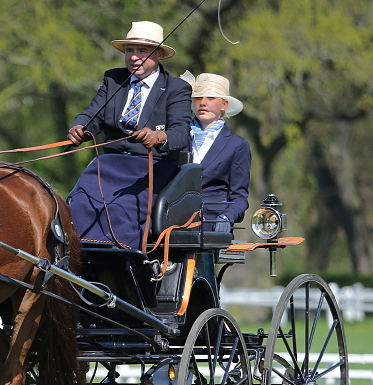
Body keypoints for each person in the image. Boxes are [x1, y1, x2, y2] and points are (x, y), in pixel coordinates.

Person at [66, 21, 192, 249]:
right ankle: (76, 262)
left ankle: (125, 269)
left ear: (159, 54)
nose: (134, 57)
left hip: (150, 167)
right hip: (108, 164)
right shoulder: (113, 79)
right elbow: (92, 115)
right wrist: (79, 128)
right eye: (129, 51)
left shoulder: (176, 88)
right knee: (79, 204)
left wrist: (158, 137)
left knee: (118, 208)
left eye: (142, 51)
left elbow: (182, 133)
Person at [181, 72, 251, 233]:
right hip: (173, 228)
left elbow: (239, 197)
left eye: (210, 98)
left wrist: (227, 217)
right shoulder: (179, 137)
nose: (203, 103)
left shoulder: (238, 145)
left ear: (224, 105)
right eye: (198, 98)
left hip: (212, 229)